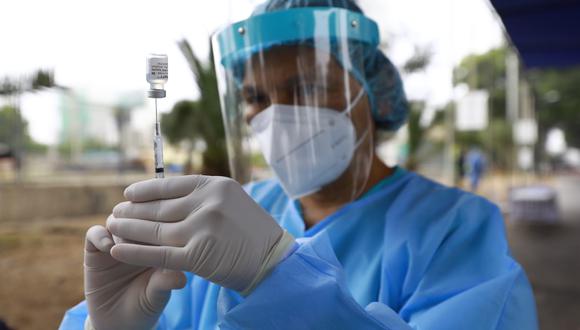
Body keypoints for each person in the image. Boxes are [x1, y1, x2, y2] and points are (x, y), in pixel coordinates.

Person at [60, 1, 538, 329]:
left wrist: (276, 276)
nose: (276, 115)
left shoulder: (454, 230)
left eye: (307, 87)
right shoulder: (227, 216)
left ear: (369, 92)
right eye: (255, 97)